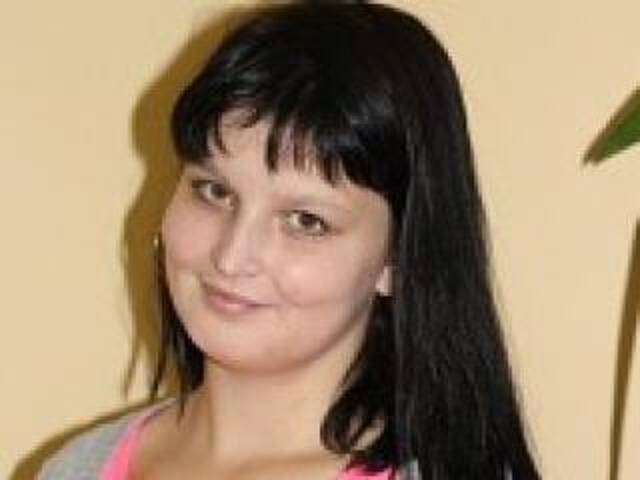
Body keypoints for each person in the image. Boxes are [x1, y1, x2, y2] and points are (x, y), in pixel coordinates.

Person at [38, 1, 541, 479]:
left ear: (398, 259)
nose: (232, 256)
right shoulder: (76, 469)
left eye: (305, 221)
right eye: (214, 191)